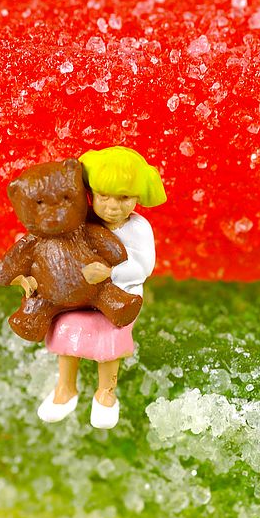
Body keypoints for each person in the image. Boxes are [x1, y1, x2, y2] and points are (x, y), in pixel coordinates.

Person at [38, 146, 167, 429]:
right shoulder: (81, 224)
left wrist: (111, 272)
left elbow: (143, 266)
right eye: (103, 196)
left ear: (138, 198)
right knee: (65, 328)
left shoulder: (139, 228)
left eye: (123, 198)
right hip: (79, 296)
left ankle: (106, 392)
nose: (112, 206)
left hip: (120, 296)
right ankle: (65, 388)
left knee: (109, 338)